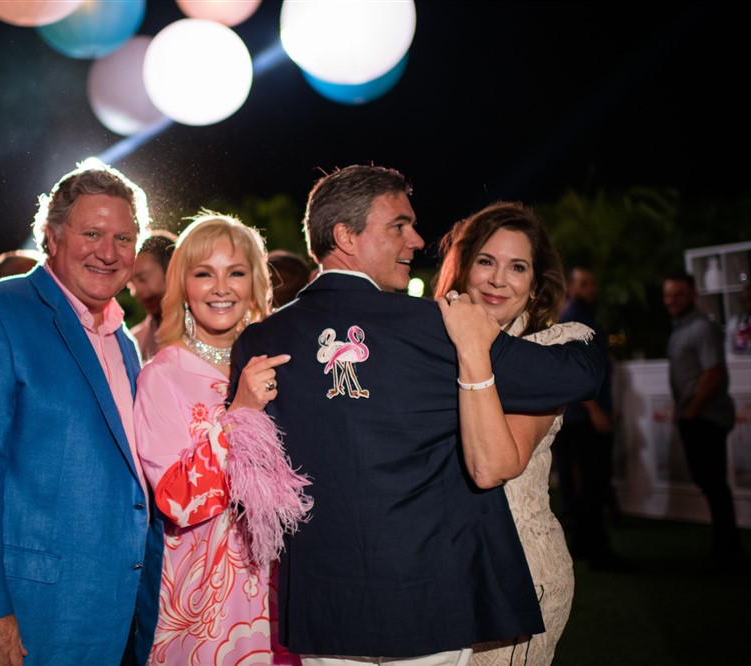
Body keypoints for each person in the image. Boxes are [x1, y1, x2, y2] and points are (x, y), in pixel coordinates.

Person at [229, 165, 605, 665]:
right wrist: (586, 345)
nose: (417, 240)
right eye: (399, 226)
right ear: (345, 236)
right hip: (430, 599)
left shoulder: (258, 341)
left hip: (322, 604)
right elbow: (572, 376)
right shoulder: (437, 329)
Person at [0, 159, 163, 665]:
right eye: (92, 233)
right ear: (52, 235)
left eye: (124, 238)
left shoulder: (123, 342)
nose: (109, 252)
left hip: (114, 614)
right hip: (27, 618)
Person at [134, 213, 309, 665]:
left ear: (255, 283)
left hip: (291, 591)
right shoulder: (162, 376)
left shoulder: (282, 363)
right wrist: (241, 412)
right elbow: (175, 499)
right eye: (203, 274)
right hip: (208, 604)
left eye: (235, 272)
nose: (220, 288)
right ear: (182, 284)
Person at [434, 203, 589, 665]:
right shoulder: (425, 341)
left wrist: (473, 348)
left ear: (535, 284)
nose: (499, 280)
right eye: (486, 261)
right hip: (436, 574)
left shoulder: (549, 353)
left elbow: (494, 467)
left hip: (517, 574)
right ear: (463, 268)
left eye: (517, 267)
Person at [549, 266, 628, 572]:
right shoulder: (575, 318)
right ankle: (597, 550)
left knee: (582, 485)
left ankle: (583, 544)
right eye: (583, 283)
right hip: (583, 419)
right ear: (571, 287)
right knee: (591, 484)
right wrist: (595, 410)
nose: (590, 288)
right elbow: (574, 371)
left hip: (581, 417)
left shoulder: (582, 315)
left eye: (592, 283)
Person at [662, 272, 742, 568]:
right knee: (709, 482)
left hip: (706, 418)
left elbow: (714, 373)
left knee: (714, 484)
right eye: (668, 294)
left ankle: (728, 550)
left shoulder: (701, 328)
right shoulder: (680, 328)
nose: (671, 300)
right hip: (694, 417)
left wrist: (692, 412)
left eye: (678, 294)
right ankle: (725, 546)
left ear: (693, 295)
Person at [128, 231, 177, 362]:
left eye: (143, 279)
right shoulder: (134, 342)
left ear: (170, 271)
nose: (136, 292)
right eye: (131, 284)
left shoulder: (207, 331)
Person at [725, 281, 751, 356]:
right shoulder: (734, 323)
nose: (748, 304)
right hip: (741, 361)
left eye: (750, 299)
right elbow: (729, 352)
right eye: (744, 301)